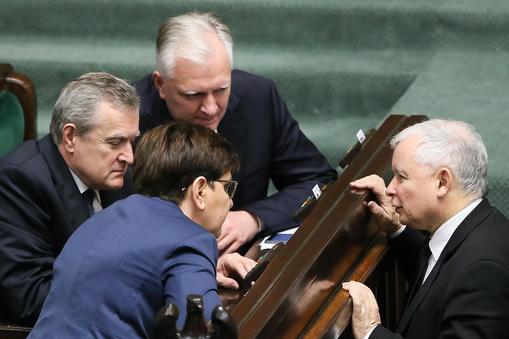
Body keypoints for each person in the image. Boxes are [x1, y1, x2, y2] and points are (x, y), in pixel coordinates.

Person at [135, 12, 337, 255]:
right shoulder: (129, 121)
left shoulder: (258, 97)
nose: (210, 108)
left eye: (221, 89)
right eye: (193, 95)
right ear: (161, 85)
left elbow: (317, 181)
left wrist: (253, 218)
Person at [28, 122, 253, 337]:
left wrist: (206, 272)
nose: (230, 201)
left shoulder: (104, 218)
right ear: (200, 190)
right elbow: (201, 330)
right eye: (228, 188)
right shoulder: (191, 240)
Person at [343, 119, 509, 338]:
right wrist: (396, 229)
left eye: (402, 177)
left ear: (442, 182)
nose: (390, 188)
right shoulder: (479, 226)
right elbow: (438, 278)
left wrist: (370, 331)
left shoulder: (483, 269)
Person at [0, 72, 139, 325]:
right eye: (116, 142)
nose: (129, 156)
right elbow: (30, 297)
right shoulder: (20, 181)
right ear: (70, 137)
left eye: (131, 141)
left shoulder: (117, 176)